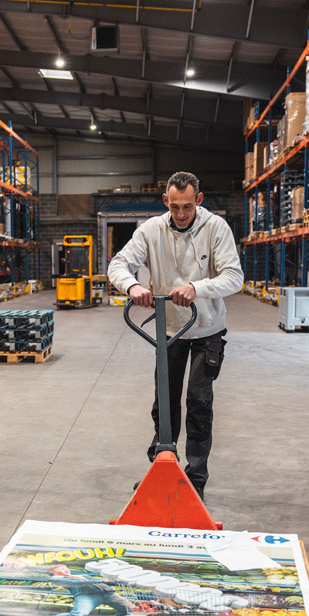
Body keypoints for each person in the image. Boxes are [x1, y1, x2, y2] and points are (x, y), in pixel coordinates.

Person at [107, 171, 243, 500]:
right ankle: (161, 470)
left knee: (198, 403)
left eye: (187, 206)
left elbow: (234, 277)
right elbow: (118, 264)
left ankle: (195, 481)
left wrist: (197, 288)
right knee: (164, 405)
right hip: (168, 332)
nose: (181, 214)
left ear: (198, 200)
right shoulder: (151, 229)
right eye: (175, 206)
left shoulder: (216, 228)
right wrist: (133, 285)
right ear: (165, 201)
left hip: (207, 329)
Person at [33, 564, 129, 616]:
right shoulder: (56, 579)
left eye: (66, 568)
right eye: (62, 568)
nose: (66, 569)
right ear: (53, 571)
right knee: (78, 614)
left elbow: (96, 580)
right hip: (87, 596)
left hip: (108, 593)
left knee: (130, 610)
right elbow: (74, 582)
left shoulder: (80, 575)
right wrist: (98, 581)